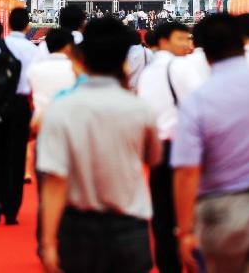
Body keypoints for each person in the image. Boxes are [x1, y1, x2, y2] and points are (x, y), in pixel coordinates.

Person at [37, 17, 162, 273]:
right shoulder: (141, 109)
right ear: (125, 61)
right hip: (130, 226)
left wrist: (48, 241)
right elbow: (154, 159)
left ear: (79, 59)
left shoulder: (60, 109)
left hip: (77, 228)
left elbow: (54, 180)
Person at [171, 14, 249, 273]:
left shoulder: (198, 100)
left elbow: (187, 170)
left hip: (220, 209)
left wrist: (185, 230)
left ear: (202, 51)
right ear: (243, 41)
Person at [137, 21, 202, 273]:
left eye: (188, 39)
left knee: (162, 215)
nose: (187, 44)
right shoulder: (182, 67)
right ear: (163, 41)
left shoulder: (149, 71)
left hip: (158, 150)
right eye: (181, 39)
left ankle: (168, 265)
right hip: (183, 149)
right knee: (187, 213)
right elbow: (199, 105)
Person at [0, 8, 39, 225]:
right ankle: (12, 210)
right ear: (27, 26)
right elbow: (33, 83)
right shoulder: (33, 50)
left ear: (8, 25)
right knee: (16, 157)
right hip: (20, 106)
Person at [27, 28, 77, 133]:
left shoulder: (34, 69)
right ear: (68, 47)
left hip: (41, 125)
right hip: (70, 124)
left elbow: (29, 98)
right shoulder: (76, 70)